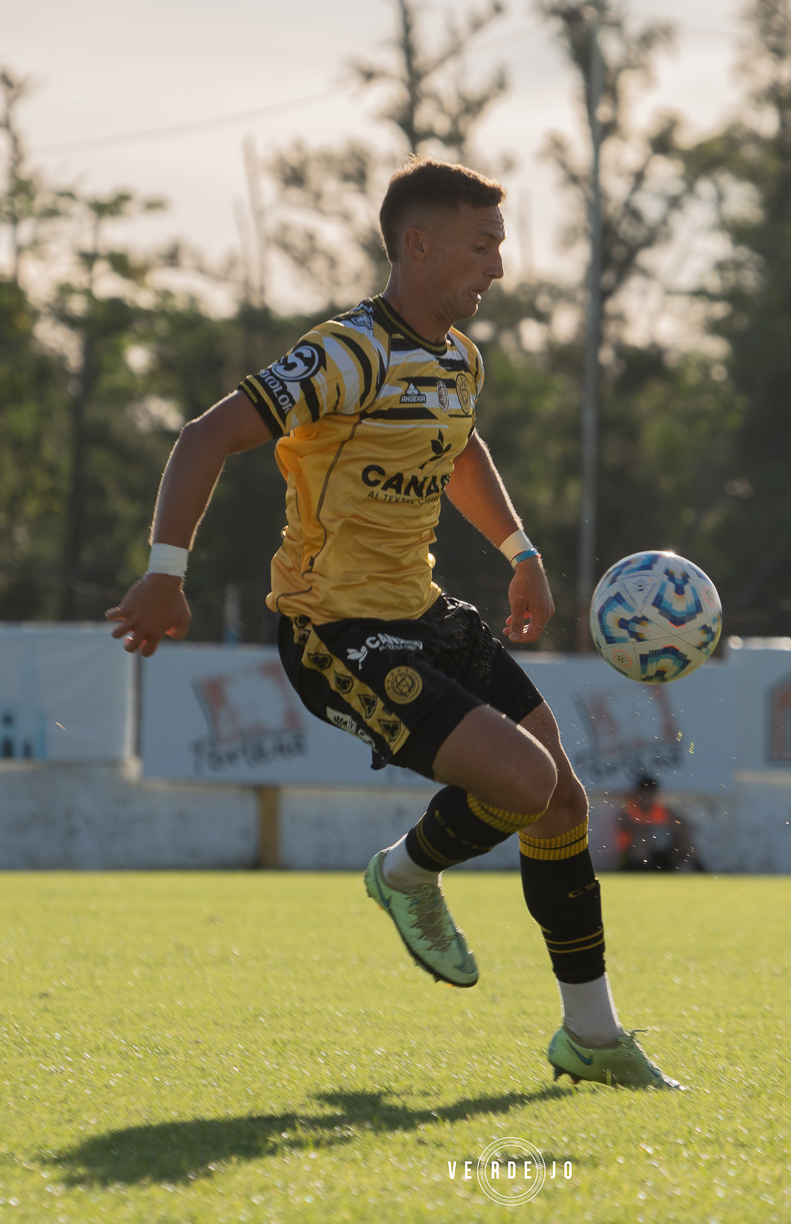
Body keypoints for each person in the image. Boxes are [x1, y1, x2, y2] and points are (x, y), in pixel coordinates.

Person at [108, 158, 679, 1089]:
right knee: (528, 781)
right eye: (482, 243)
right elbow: (204, 435)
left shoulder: (457, 357)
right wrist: (165, 573)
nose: (499, 264)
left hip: (425, 613)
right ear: (417, 245)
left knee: (564, 803)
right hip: (334, 631)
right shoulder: (346, 352)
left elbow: (457, 446)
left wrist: (520, 550)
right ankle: (408, 871)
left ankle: (594, 1037)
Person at [616, 774, 702, 872]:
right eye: (644, 793)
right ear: (637, 794)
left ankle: (700, 871)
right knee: (641, 840)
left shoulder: (664, 811)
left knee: (685, 839)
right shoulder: (629, 811)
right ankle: (639, 871)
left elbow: (684, 826)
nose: (646, 797)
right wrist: (653, 828)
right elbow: (627, 825)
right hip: (633, 857)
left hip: (663, 853)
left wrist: (668, 828)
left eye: (650, 793)